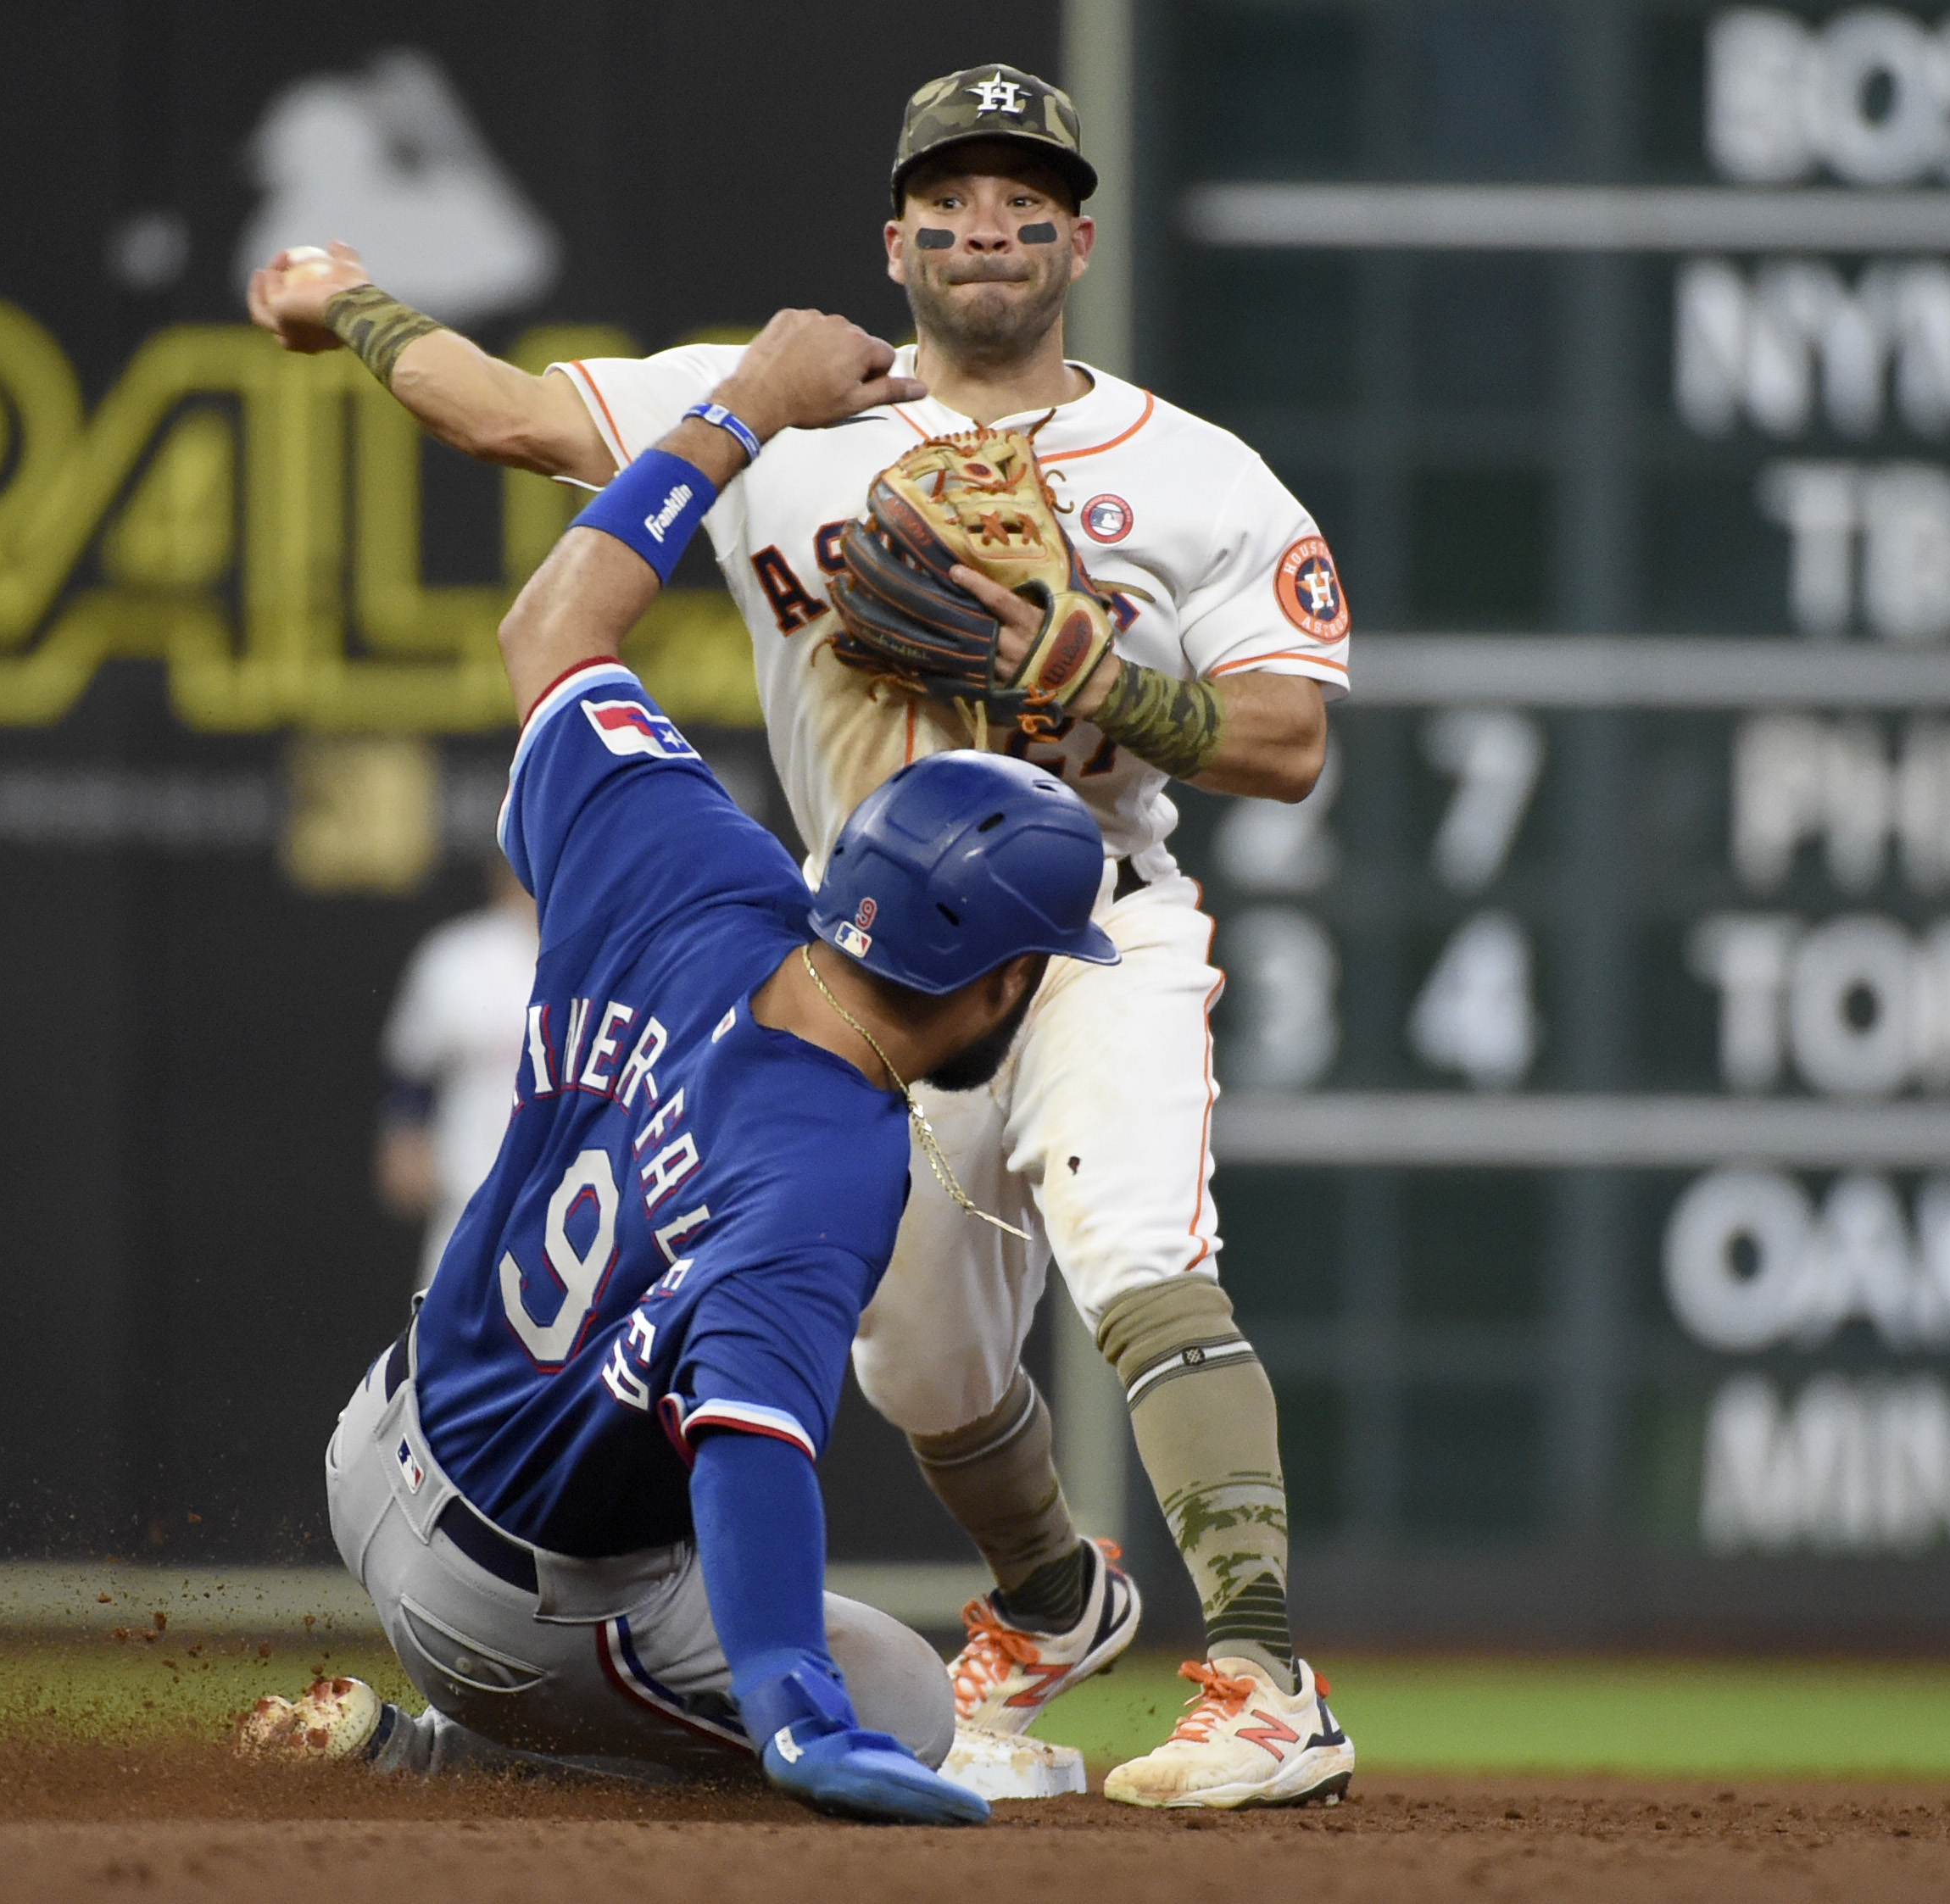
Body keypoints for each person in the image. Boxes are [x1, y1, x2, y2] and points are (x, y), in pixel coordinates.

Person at [248, 59, 1357, 1811]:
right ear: (894, 235)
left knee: (1135, 1235)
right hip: (868, 945)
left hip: (1082, 924)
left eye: (1025, 199)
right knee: (913, 1351)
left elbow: (1288, 741)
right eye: (952, 198)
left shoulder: (1197, 473)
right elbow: (504, 413)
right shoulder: (786, 404)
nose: (986, 225)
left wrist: (1091, 677)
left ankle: (1265, 1674)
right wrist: (345, 301)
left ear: (1077, 235)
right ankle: (1059, 1597)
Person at [238, 307, 1122, 1824]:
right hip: (507, 1608)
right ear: (992, 978)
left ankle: (475, 1716)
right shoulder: (831, 1162)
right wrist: (792, 1702)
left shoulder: (697, 869)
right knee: (902, 1701)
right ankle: (440, 1751)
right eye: (1038, 976)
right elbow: (747, 1434)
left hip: (375, 1442)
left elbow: (551, 631)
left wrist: (741, 407)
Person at [377, 860, 538, 1289]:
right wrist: (405, 1133)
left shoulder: (602, 956)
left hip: (575, 1207)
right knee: (442, 1341)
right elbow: (412, 1063)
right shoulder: (459, 957)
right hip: (467, 1197)